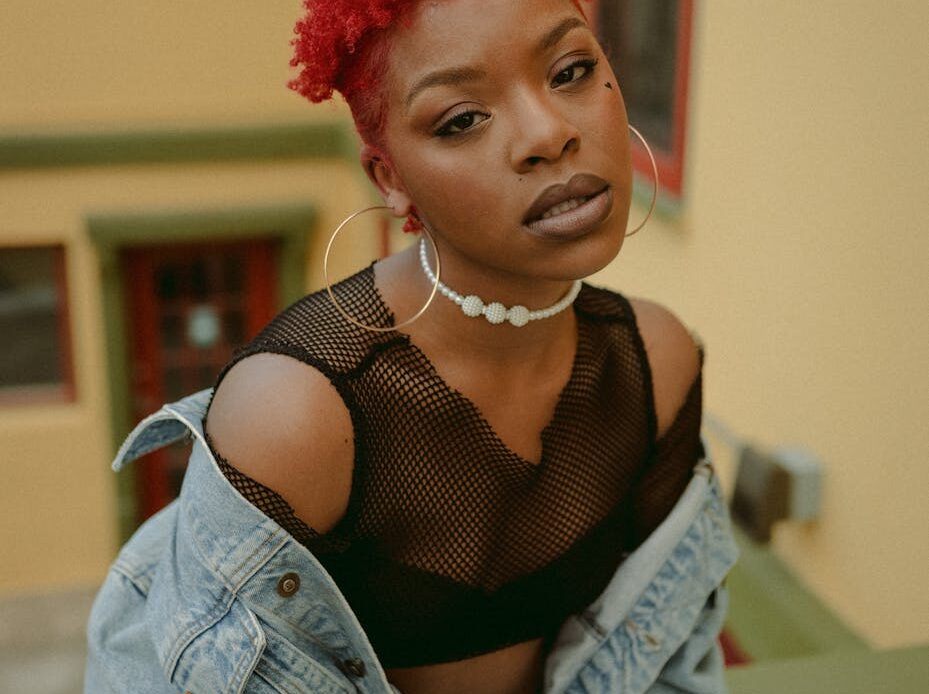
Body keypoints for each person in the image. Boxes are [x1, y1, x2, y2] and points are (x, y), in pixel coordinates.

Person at [85, 1, 738, 692]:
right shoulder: (300, 415)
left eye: (571, 71)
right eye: (461, 120)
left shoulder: (655, 363)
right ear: (391, 180)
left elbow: (668, 653)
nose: (549, 133)